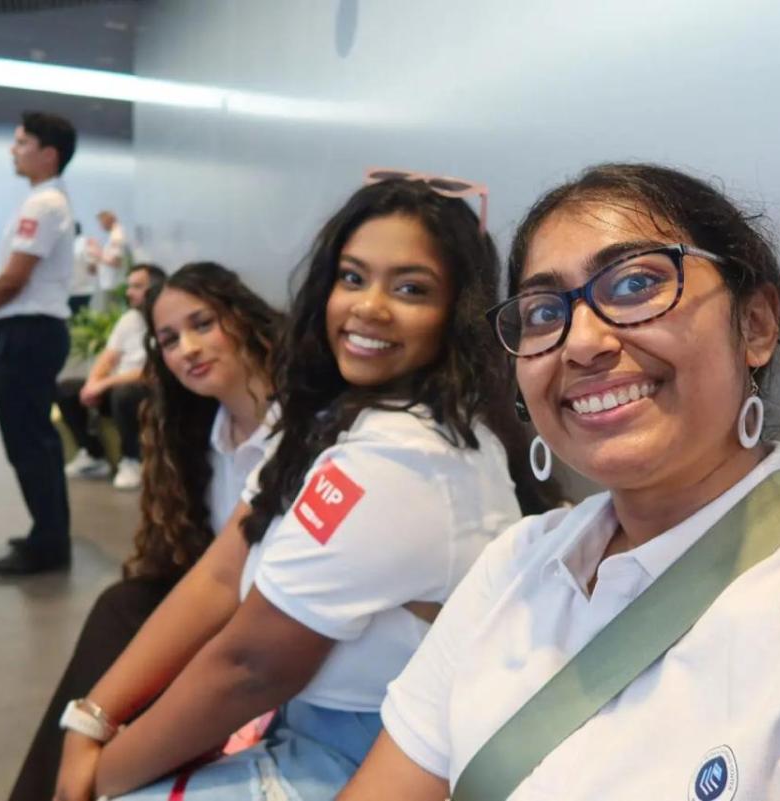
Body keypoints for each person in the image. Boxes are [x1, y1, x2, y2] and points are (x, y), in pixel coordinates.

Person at [340, 163, 780, 801]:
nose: (581, 343)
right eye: (542, 311)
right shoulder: (516, 567)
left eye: (637, 282)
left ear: (754, 325)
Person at [52, 175, 553, 801]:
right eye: (352, 277)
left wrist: (97, 780)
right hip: (299, 725)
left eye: (410, 289)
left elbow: (251, 666)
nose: (369, 306)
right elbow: (220, 568)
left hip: (363, 759)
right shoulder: (332, 416)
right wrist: (90, 718)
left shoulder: (401, 457)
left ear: (455, 313)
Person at [9, 260, 283, 801]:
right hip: (220, 613)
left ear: (244, 318)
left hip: (276, 624)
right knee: (125, 603)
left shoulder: (301, 428)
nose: (189, 348)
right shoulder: (201, 433)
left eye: (203, 324)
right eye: (170, 339)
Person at [0, 111, 77, 577]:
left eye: (22, 142)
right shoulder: (44, 201)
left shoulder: (44, 204)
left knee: (29, 443)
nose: (14, 149)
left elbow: (14, 276)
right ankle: (49, 533)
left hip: (28, 334)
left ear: (49, 154)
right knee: (36, 442)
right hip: (29, 329)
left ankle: (48, 544)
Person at [57, 262, 166, 491]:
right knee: (66, 389)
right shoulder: (129, 319)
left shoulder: (166, 320)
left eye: (137, 286)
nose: (129, 292)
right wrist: (92, 384)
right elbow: (108, 357)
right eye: (129, 286)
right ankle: (93, 456)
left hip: (150, 393)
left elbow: (152, 372)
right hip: (118, 389)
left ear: (156, 288)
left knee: (123, 394)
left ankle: (132, 460)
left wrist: (105, 383)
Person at [96, 209, 128, 292]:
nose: (100, 226)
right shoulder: (115, 234)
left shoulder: (116, 236)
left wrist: (98, 254)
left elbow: (116, 262)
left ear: (106, 221)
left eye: (100, 223)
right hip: (112, 283)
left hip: (114, 285)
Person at [68, 221, 96, 316]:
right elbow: (92, 268)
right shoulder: (86, 243)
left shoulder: (76, 244)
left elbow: (92, 267)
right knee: (81, 319)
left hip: (75, 290)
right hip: (85, 289)